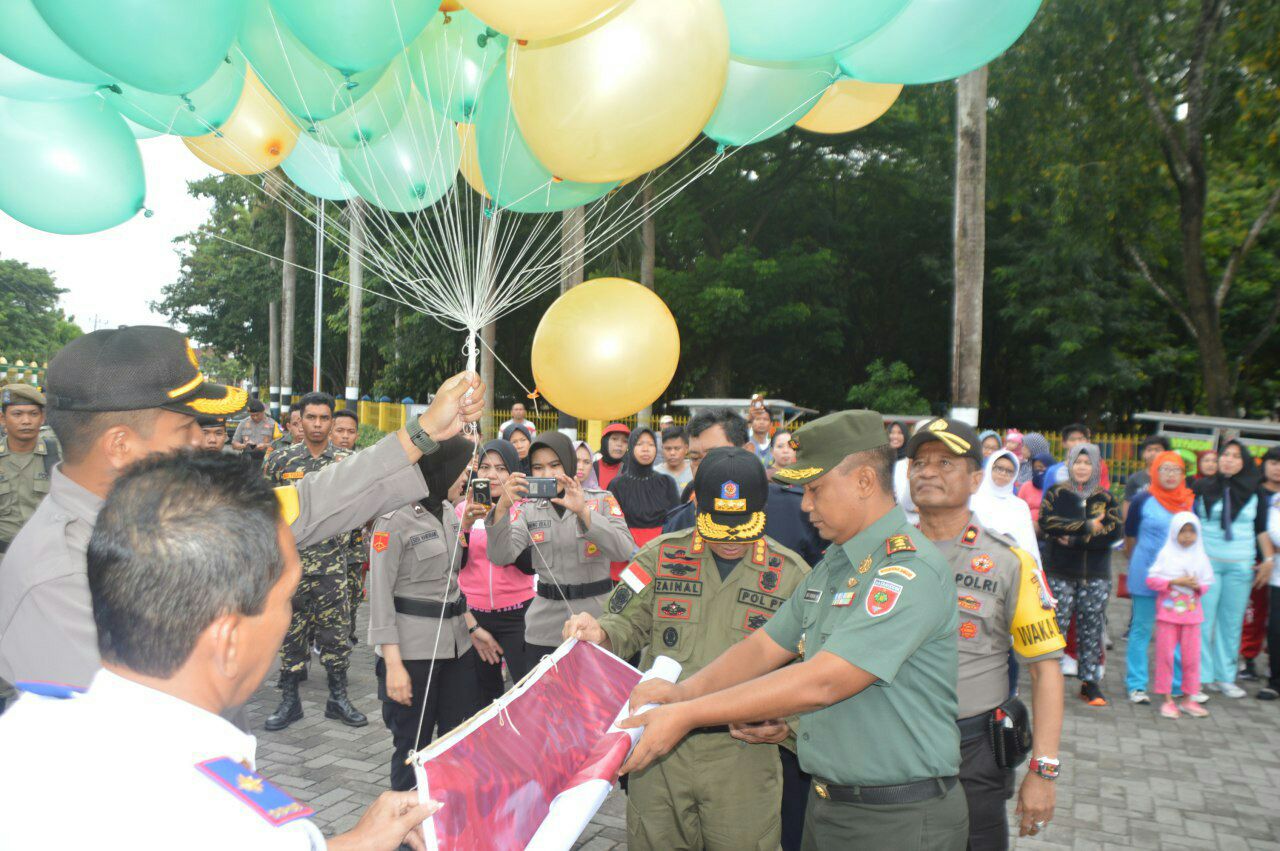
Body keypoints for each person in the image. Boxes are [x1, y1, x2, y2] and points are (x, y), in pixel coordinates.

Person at [0, 326, 487, 691]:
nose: (205, 442)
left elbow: (312, 503)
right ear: (120, 445)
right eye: (187, 429)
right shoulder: (56, 582)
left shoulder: (179, 511)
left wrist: (424, 432)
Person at [0, 451, 441, 850]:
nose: (288, 617)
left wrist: (357, 841)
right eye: (285, 598)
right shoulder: (232, 820)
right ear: (228, 639)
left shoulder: (30, 724)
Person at [618, 411, 969, 851]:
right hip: (830, 807)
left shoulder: (905, 571)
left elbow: (822, 680)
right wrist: (682, 694)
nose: (805, 505)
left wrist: (687, 714)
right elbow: (763, 648)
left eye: (815, 489)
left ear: (863, 481)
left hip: (897, 818)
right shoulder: (833, 568)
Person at [564, 448, 811, 850]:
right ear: (697, 506)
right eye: (719, 526)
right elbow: (623, 623)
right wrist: (599, 633)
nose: (731, 542)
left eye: (743, 527)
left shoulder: (792, 576)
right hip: (660, 755)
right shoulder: (660, 555)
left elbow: (812, 670)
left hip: (743, 757)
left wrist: (789, 725)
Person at [909, 417, 1064, 848]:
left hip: (972, 753)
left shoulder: (1009, 561)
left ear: (976, 478)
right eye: (919, 462)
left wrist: (1043, 769)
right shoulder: (884, 553)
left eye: (945, 462)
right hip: (893, 747)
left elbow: (1045, 671)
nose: (927, 471)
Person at [369, 437, 501, 791]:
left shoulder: (447, 511)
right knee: (412, 749)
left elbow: (451, 580)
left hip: (457, 648)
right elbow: (380, 598)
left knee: (455, 741)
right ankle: (406, 838)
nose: (468, 475)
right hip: (413, 654)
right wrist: (392, 664)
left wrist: (472, 627)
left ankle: (446, 826)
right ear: (439, 468)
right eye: (464, 468)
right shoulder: (392, 520)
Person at [262, 392, 367, 730]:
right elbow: (264, 511)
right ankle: (289, 701)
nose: (318, 425)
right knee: (291, 634)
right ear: (300, 420)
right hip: (291, 566)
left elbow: (359, 510)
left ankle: (338, 698)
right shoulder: (280, 461)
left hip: (332, 566)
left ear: (332, 422)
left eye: (324, 419)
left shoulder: (346, 462)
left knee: (336, 635)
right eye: (311, 418)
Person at [486, 431, 634, 657]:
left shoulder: (602, 500)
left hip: (597, 621)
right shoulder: (527, 508)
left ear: (569, 463)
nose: (547, 473)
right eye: (538, 467)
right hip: (545, 628)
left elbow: (622, 550)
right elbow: (501, 556)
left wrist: (584, 512)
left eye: (555, 465)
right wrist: (502, 510)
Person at [1040, 443, 1121, 706]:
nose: (1082, 467)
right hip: (1060, 572)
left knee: (1091, 627)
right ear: (1069, 465)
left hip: (1095, 575)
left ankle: (1089, 682)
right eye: (1078, 462)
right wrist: (1087, 526)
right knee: (1056, 628)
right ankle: (1049, 682)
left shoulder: (1106, 499)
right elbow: (1048, 523)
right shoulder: (1056, 493)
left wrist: (1074, 539)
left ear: (1096, 467)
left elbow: (1112, 534)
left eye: (1088, 463)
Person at [458, 438, 537, 705]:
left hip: (518, 614)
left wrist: (500, 514)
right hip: (474, 616)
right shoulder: (462, 510)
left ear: (514, 472)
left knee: (528, 691)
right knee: (483, 698)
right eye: (485, 467)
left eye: (501, 468)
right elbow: (454, 565)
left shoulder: (525, 510)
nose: (492, 475)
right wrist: (466, 526)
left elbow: (528, 564)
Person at [1122, 451, 1196, 704]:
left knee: (1177, 631)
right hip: (1145, 572)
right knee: (1142, 628)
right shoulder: (1143, 499)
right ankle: (1136, 684)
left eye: (1175, 470)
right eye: (1164, 469)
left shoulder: (1189, 501)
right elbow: (1129, 535)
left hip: (1180, 581)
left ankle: (1176, 685)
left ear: (1183, 474)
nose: (1170, 475)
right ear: (1154, 472)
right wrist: (1135, 561)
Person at [1192, 439, 1261, 700]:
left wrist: (1264, 561)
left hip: (1241, 566)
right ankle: (1200, 676)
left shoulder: (1255, 490)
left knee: (1231, 624)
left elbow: (1261, 529)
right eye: (1225, 455)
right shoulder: (1202, 486)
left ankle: (1225, 677)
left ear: (1244, 462)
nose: (1229, 459)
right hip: (1208, 563)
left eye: (1235, 456)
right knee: (1203, 622)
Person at [1146, 512, 1214, 719]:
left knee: (1192, 658)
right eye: (1182, 531)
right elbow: (1152, 580)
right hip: (1168, 616)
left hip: (1192, 617)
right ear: (1174, 532)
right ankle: (1167, 700)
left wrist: (1196, 585)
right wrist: (1175, 582)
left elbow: (1207, 582)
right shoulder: (1166, 554)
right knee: (1165, 657)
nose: (1187, 536)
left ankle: (1188, 698)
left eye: (1191, 532)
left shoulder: (1200, 556)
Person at [609, 427, 680, 580]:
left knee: (659, 602)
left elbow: (675, 521)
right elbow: (612, 524)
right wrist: (634, 552)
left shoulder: (666, 482)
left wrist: (659, 552)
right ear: (631, 447)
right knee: (631, 602)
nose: (646, 449)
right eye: (640, 444)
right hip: (627, 555)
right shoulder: (617, 485)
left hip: (661, 554)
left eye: (651, 444)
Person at [0, 384, 57, 554]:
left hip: (45, 554)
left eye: (33, 414)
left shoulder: (58, 455)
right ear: (2, 419)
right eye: (17, 414)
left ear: (42, 418)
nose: (26, 421)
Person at [1245, 447, 1280, 685]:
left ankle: (1272, 664)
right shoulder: (1253, 492)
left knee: (1275, 618)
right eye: (1273, 462)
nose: (1277, 468)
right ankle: (1248, 659)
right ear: (1264, 464)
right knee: (1253, 613)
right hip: (1255, 561)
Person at [971, 449, 1042, 566]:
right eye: (999, 468)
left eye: (1009, 471)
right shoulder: (973, 500)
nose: (1003, 474)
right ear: (989, 468)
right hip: (974, 563)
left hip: (1008, 567)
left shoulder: (1019, 506)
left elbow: (1028, 544)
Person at [1041, 423, 1110, 495]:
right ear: (1064, 443)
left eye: (1081, 439)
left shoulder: (1099, 466)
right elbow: (1047, 498)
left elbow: (1104, 493)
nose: (1077, 443)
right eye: (1072, 439)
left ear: (1088, 441)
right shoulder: (1053, 471)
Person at [1122, 435, 1172, 520]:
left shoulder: (1172, 478)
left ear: (1166, 453)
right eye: (1149, 450)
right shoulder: (1135, 479)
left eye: (1157, 450)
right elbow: (1127, 505)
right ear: (1143, 454)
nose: (1153, 453)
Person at [1262, 492, 1280, 700]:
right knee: (1276, 630)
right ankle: (1275, 681)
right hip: (1278, 578)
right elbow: (1274, 532)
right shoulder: (1277, 499)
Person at [231, 399, 280, 465]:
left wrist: (266, 445)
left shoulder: (274, 424)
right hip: (247, 460)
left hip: (266, 460)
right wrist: (244, 445)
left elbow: (280, 444)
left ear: (263, 412)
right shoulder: (243, 423)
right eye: (252, 415)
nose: (255, 417)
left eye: (257, 415)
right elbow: (234, 444)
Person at [593, 422, 631, 490]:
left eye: (625, 441)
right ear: (605, 441)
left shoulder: (630, 472)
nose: (619, 444)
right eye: (614, 439)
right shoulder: (591, 469)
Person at [655, 425, 693, 490]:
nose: (672, 453)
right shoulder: (655, 474)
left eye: (677, 448)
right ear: (662, 449)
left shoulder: (695, 471)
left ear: (686, 448)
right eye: (668, 449)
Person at [749, 401, 774, 465]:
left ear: (771, 424)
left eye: (765, 419)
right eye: (757, 419)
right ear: (751, 423)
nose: (761, 422)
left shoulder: (775, 446)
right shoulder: (745, 444)